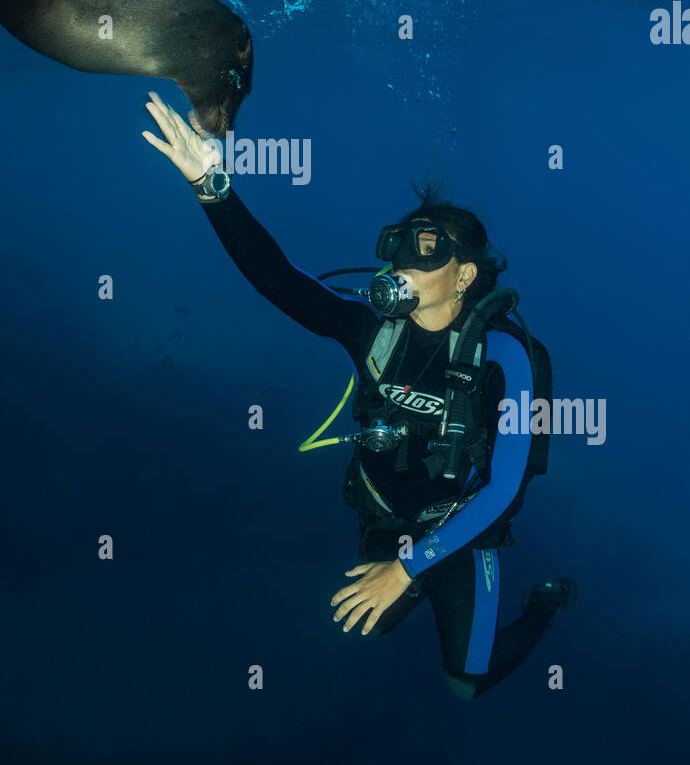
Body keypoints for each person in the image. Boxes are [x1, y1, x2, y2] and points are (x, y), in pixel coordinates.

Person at [142, 91, 576, 701]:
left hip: (462, 529)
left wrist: (407, 570)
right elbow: (278, 281)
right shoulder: (373, 330)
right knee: (360, 632)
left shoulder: (508, 358)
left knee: (466, 685)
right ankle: (415, 581)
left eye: (427, 251)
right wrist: (210, 185)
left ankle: (543, 608)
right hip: (385, 517)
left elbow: (504, 490)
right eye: (398, 244)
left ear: (466, 274)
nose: (403, 264)